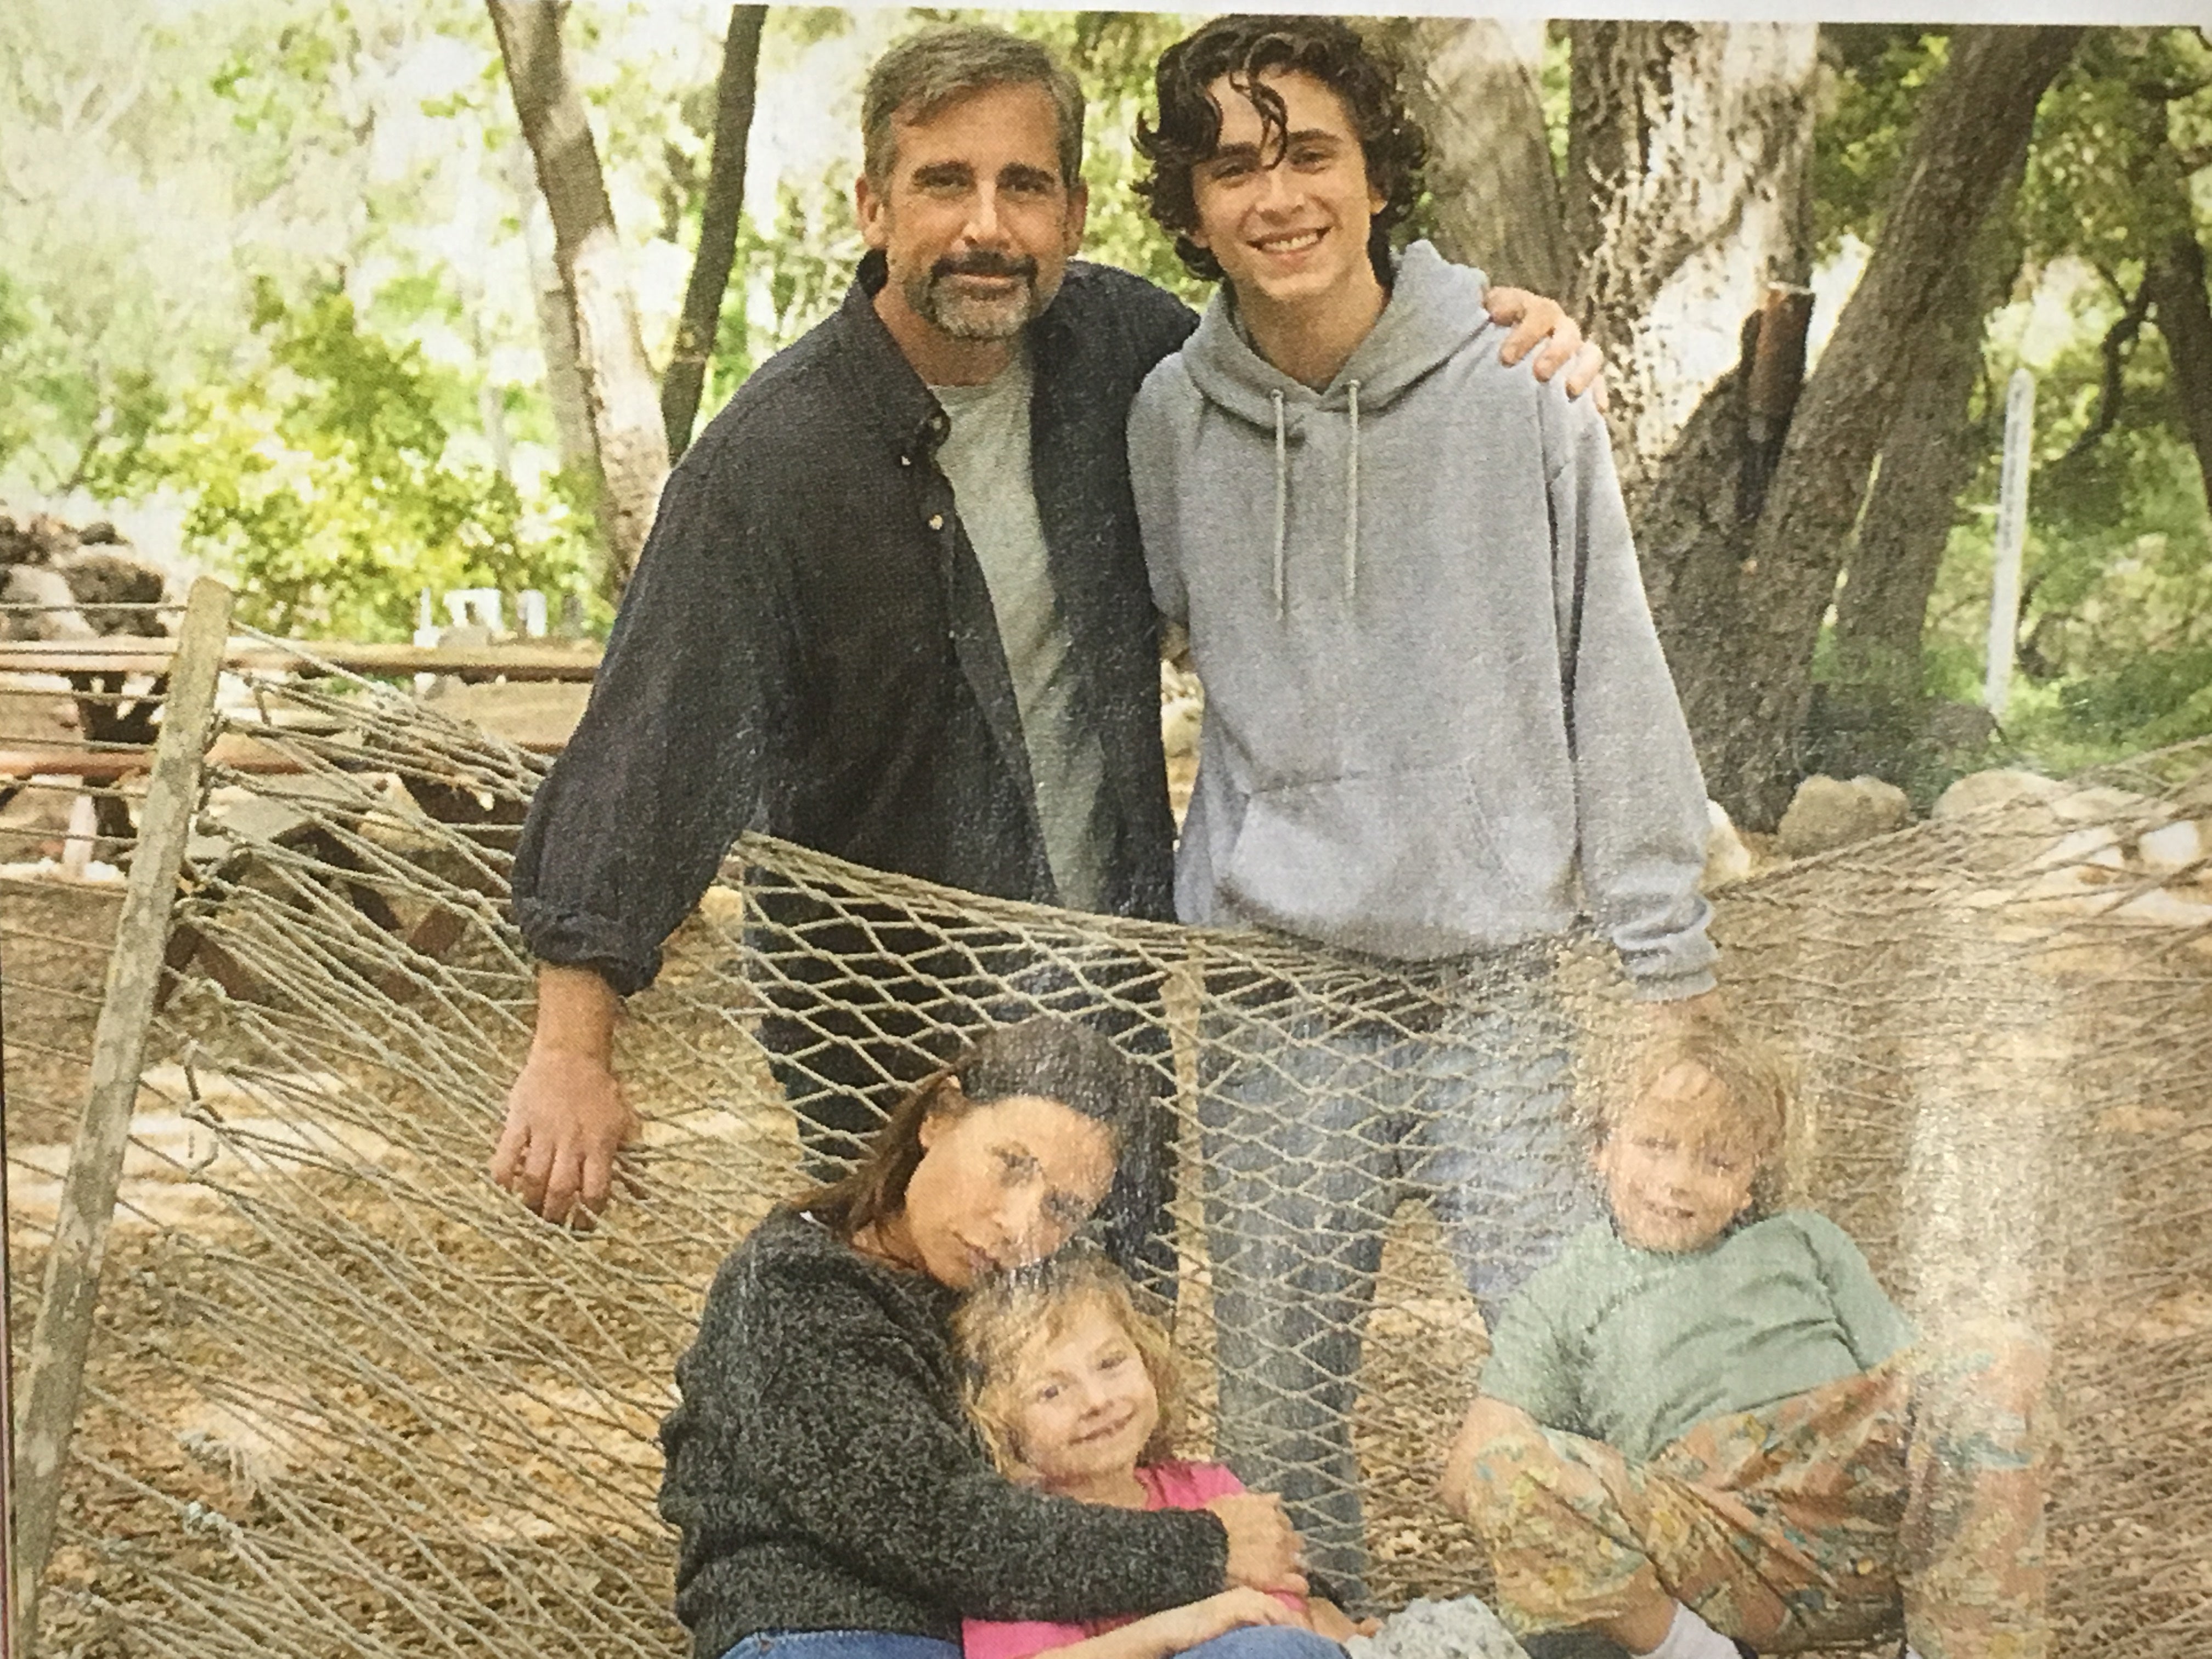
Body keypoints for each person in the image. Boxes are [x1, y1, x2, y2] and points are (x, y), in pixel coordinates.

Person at [494, 21, 1605, 1244]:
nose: (987, 227)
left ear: (1072, 216)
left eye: (1023, 186)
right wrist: (571, 1049)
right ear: (872, 207)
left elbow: (1320, 349)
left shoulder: (1131, 359)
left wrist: (1486, 334)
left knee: (1111, 1345)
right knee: (924, 1343)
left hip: (1109, 1009)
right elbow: (652, 745)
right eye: (944, 183)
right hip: (892, 1037)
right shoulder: (774, 463)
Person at [1123, 14, 1718, 1604]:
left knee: (1578, 1374)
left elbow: (1615, 674)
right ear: (1192, 209)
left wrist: (1669, 977)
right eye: (1232, 169)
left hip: (1499, 990)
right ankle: (1313, 1635)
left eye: (1311, 154)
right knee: (1278, 1407)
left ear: (1378, 175)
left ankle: (1605, 1631)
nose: (1278, 197)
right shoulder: (1169, 419)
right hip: (1277, 993)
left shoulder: (1521, 383)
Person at [659, 1014, 1311, 1659]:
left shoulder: (1024, 1301)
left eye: (1061, 1207)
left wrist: (1291, 1587)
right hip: (823, 1635)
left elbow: (1118, 1478)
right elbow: (932, 1524)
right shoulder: (791, 1286)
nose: (1018, 1224)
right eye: (1011, 1166)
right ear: (939, 1117)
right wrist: (1205, 1549)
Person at [1438, 1020, 2052, 1659]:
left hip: (1861, 1512)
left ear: (1751, 1179)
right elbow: (1467, 1475)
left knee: (1999, 1362)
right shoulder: (1562, 1292)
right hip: (1712, 1538)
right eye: (1655, 1144)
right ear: (1602, 1146)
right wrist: (1578, 1497)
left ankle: (1956, 1647)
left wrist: (1992, 1377)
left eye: (1718, 1161)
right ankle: (1693, 1652)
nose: (1678, 1179)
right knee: (1502, 1465)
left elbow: (1910, 1386)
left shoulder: (1805, 1241)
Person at [953, 1250, 1367, 1659]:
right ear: (999, 1426)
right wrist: (1178, 1628)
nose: (1097, 1400)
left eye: (1111, 1363)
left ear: (1149, 1360)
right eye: (1051, 1391)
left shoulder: (1207, 1489)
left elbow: (1287, 1610)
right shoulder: (1021, 1538)